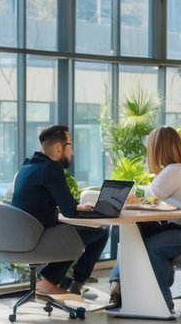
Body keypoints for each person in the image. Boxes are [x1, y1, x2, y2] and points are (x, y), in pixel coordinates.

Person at [109, 126, 181, 311]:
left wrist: (126, 192)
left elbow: (149, 194)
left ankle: (160, 304)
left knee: (151, 247)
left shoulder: (175, 171)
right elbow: (152, 194)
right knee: (134, 239)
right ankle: (122, 287)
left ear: (156, 150)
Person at [10, 124, 109, 297]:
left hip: (19, 236)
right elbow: (69, 212)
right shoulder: (51, 168)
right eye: (70, 145)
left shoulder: (28, 165)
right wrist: (94, 212)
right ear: (58, 147)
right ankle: (57, 283)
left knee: (69, 233)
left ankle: (61, 282)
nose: (72, 151)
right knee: (99, 234)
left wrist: (73, 207)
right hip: (37, 238)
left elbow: (41, 201)